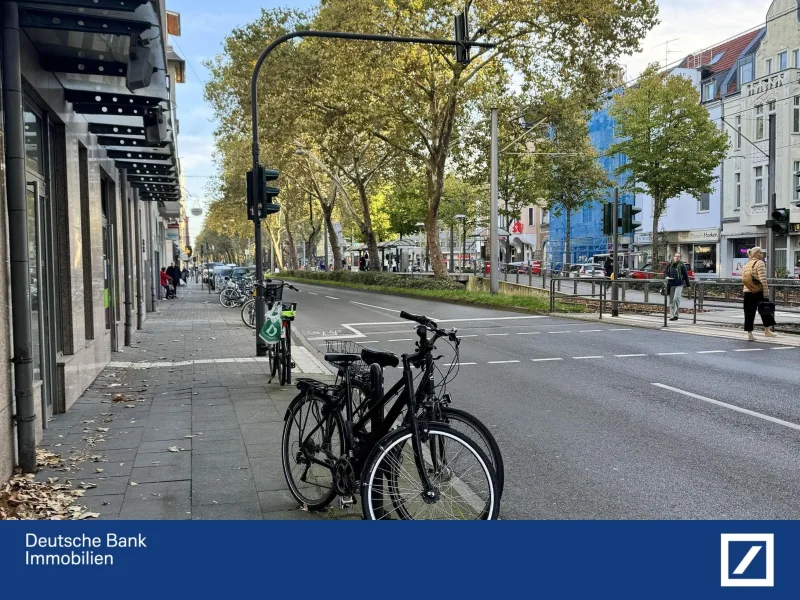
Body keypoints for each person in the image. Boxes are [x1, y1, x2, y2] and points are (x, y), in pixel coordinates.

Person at [742, 246, 777, 341]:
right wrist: (766, 292)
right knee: (765, 309)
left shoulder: (747, 264)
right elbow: (763, 279)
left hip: (747, 291)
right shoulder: (760, 263)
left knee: (749, 312)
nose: (762, 255)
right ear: (756, 254)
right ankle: (767, 331)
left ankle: (749, 334)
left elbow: (744, 278)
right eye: (760, 253)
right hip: (758, 291)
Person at [663, 252, 691, 321]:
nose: (677, 257)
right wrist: (666, 277)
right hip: (671, 284)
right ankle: (672, 315)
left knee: (676, 299)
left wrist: (688, 285)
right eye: (676, 256)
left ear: (680, 258)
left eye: (678, 256)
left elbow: (685, 275)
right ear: (674, 257)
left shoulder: (682, 265)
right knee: (671, 300)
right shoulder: (670, 264)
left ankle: (676, 314)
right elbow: (665, 272)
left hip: (679, 284)